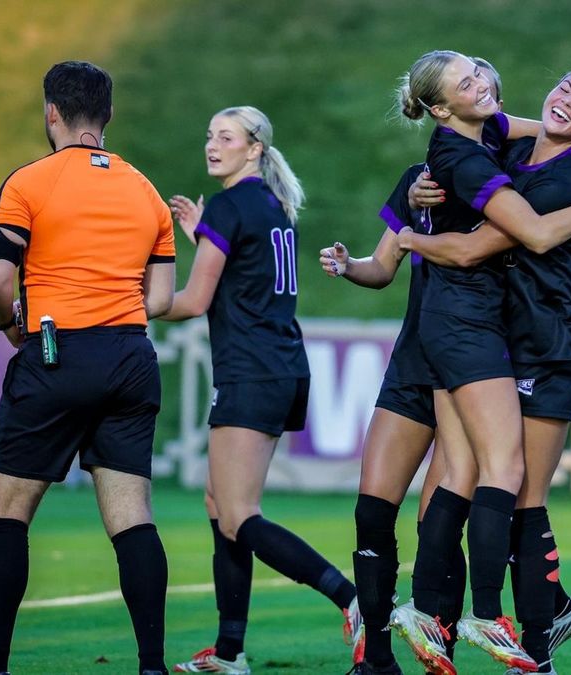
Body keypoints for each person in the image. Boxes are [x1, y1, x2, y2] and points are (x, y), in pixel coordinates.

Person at [384, 50, 571, 675]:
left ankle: (502, 628)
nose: (565, 100)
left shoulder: (541, 164)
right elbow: (517, 236)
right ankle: (497, 617)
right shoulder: (500, 155)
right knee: (495, 482)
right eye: (564, 87)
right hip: (490, 333)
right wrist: (413, 219)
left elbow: (514, 245)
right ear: (440, 106)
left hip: (540, 342)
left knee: (498, 486)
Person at [0, 60, 176, 675]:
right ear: (109, 116)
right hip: (130, 357)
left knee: (6, 512)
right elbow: (159, 300)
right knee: (132, 518)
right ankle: (152, 666)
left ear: (51, 112)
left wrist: (8, 322)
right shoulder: (145, 189)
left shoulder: (30, 182)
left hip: (57, 353)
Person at [320, 57, 507, 675]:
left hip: (467, 363)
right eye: (465, 81)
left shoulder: (497, 175)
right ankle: (376, 660)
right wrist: (348, 265)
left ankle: (439, 657)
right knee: (372, 510)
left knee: (438, 524)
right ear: (438, 109)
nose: (482, 86)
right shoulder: (416, 181)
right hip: (413, 360)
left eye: (482, 78)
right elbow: (383, 267)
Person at [162, 106, 358, 675]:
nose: (212, 144)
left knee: (238, 514)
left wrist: (125, 305)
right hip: (279, 366)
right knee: (219, 503)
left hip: (252, 370)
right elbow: (245, 274)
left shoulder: (230, 206)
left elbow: (192, 302)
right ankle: (229, 652)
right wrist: (204, 235)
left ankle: (354, 601)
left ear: (254, 149)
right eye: (209, 135)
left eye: (226, 137)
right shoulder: (268, 203)